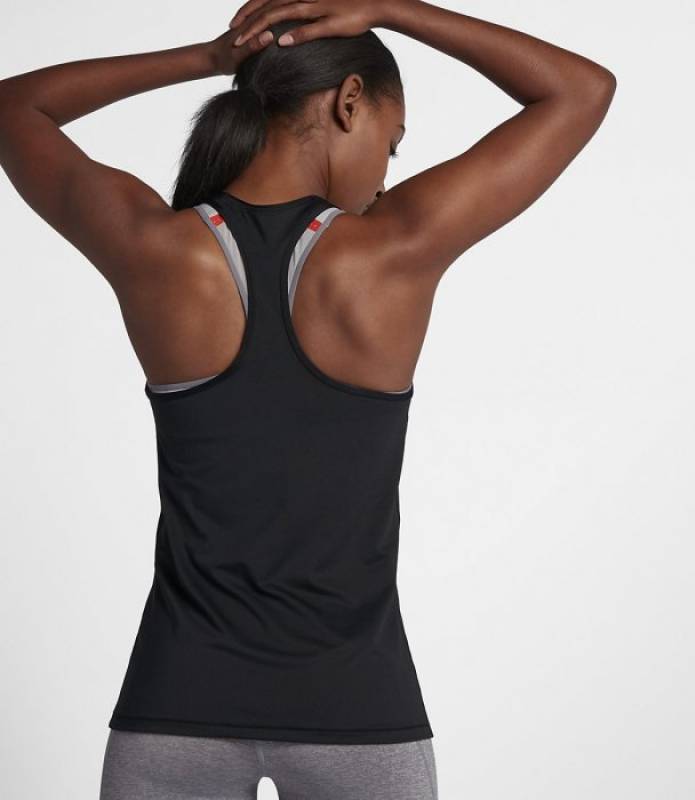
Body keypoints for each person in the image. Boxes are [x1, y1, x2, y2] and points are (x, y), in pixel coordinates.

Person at [0, 0, 616, 797]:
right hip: (359, 712)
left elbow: (14, 107)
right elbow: (580, 90)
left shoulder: (154, 247)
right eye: (392, 143)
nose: (386, 173)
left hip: (175, 707)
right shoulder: (395, 248)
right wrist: (392, 9)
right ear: (349, 101)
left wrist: (209, 60)